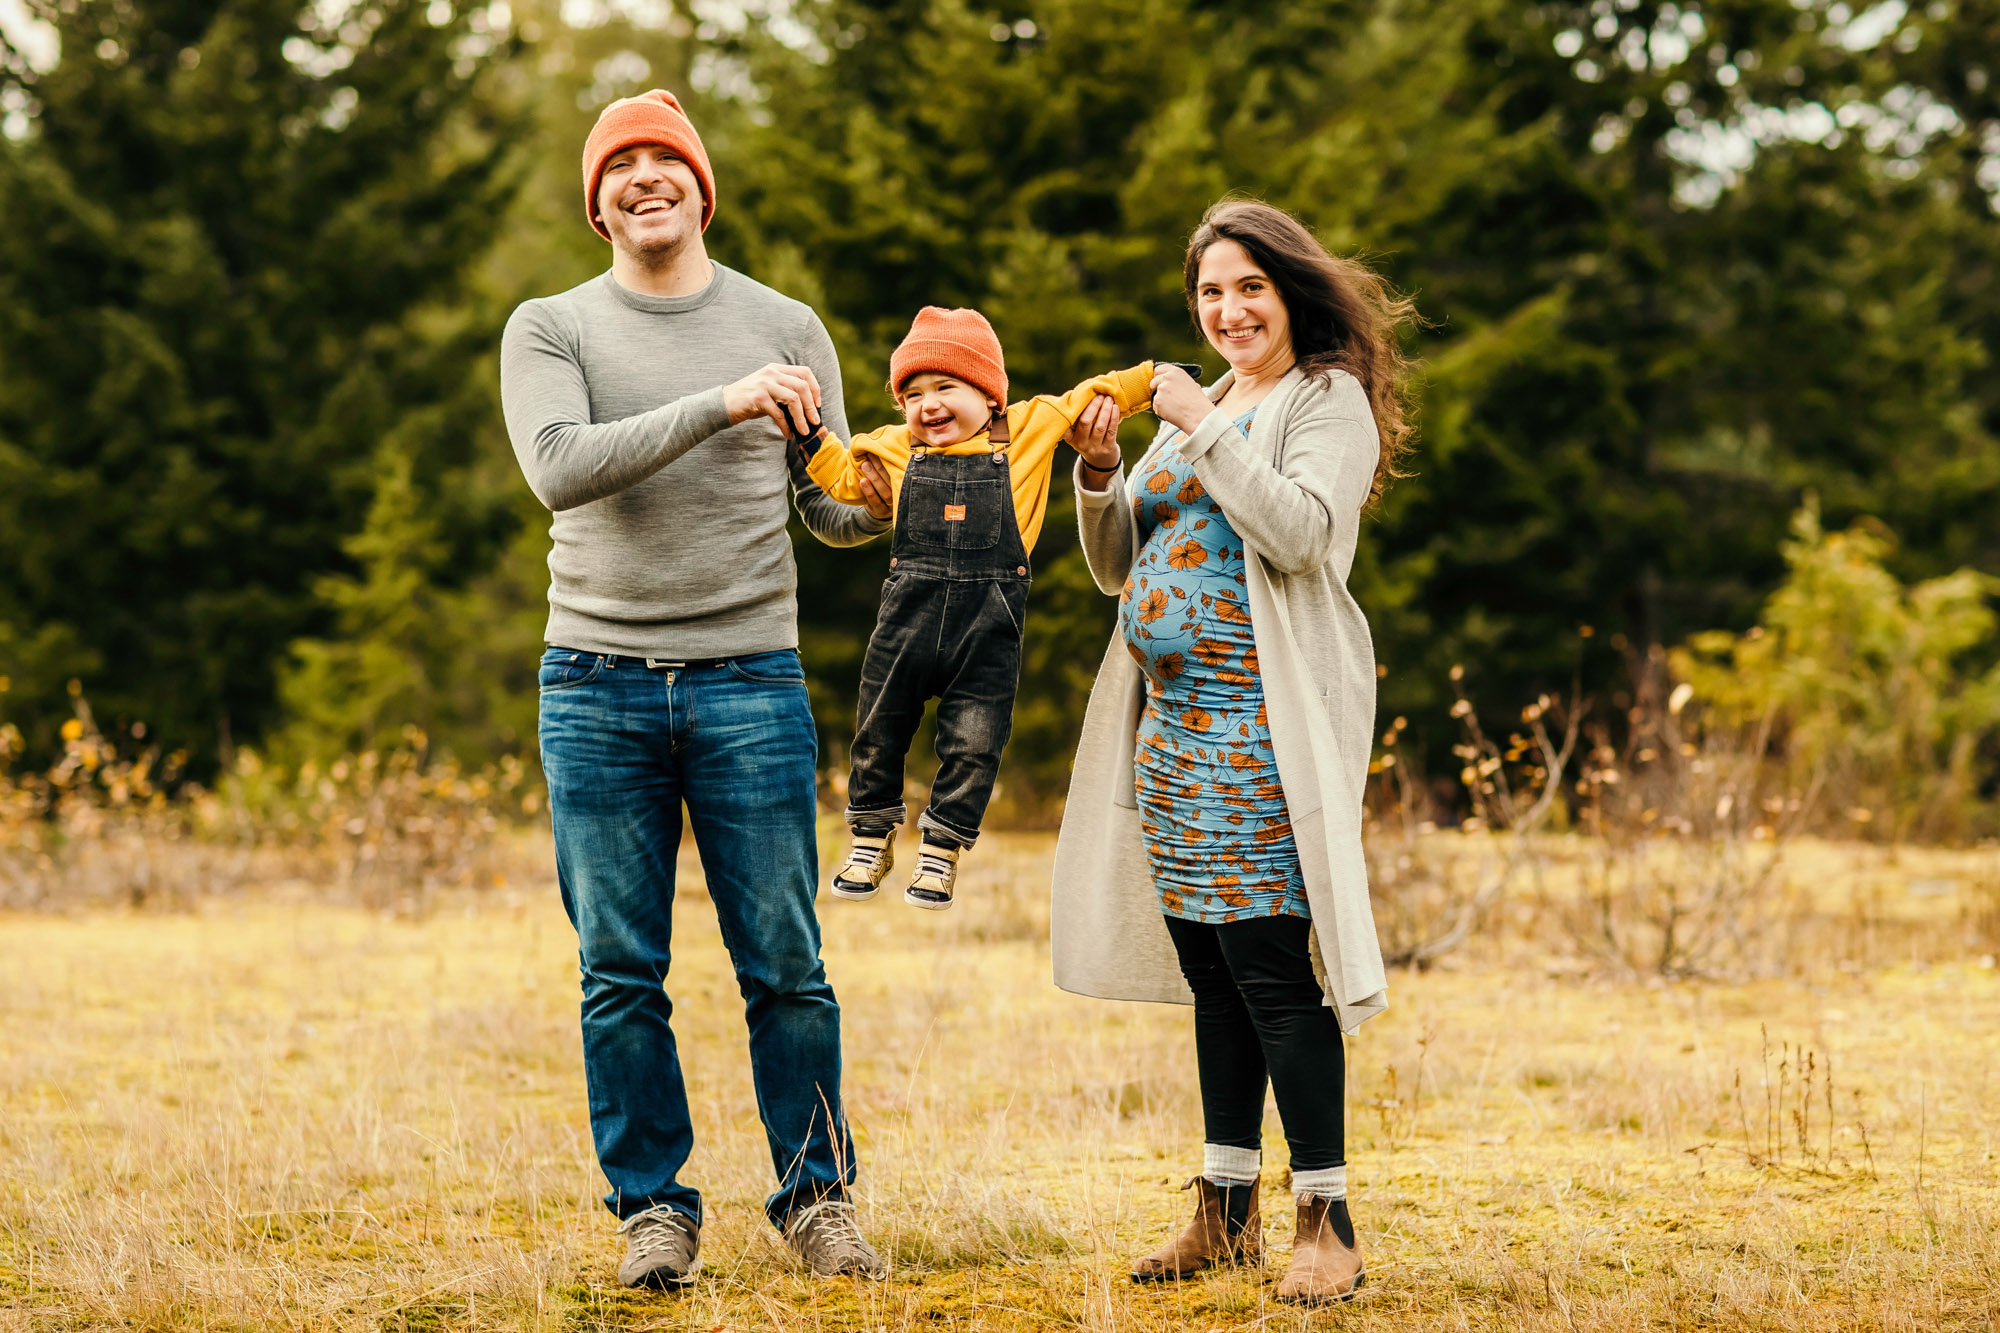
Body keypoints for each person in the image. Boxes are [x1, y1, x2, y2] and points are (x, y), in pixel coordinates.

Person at [499, 89, 896, 1290]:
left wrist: (887, 490)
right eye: (618, 165)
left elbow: (823, 510)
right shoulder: (549, 327)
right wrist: (723, 399)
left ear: (700, 184)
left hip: (749, 682)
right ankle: (653, 1212)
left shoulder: (786, 324)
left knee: (785, 961)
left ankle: (816, 1201)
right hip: (595, 683)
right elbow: (560, 469)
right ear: (598, 201)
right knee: (620, 970)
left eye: (662, 158)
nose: (642, 178)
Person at [1049, 198, 1415, 1306]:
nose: (1227, 308)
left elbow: (1300, 535)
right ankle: (1221, 1207)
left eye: (1248, 286)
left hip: (1262, 736)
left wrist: (1196, 429)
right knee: (1209, 972)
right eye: (1210, 291)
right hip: (1171, 741)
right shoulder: (1203, 404)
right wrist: (1103, 475)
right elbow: (1123, 565)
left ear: (1289, 290)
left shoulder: (1321, 399)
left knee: (1268, 969)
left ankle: (1327, 1216)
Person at [796, 306, 1153, 909]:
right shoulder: (888, 449)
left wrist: (1158, 380)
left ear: (989, 397)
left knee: (975, 739)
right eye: (911, 393)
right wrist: (805, 433)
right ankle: (870, 832)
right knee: (878, 727)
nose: (926, 404)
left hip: (989, 625)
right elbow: (839, 480)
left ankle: (942, 848)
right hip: (906, 620)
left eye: (945, 387)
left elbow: (1100, 391)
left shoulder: (1032, 425)